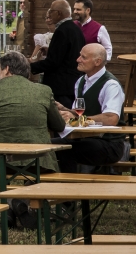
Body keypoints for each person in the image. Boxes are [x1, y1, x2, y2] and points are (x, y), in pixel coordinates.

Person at [0, 51, 65, 181]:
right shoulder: (44, 91)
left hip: (1, 162)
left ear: (7, 69)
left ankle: (9, 194)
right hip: (41, 162)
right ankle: (26, 193)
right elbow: (59, 126)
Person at [54, 44, 127, 173]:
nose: (78, 59)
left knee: (64, 150)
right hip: (86, 139)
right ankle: (44, 179)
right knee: (47, 144)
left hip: (109, 144)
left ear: (97, 62)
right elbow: (79, 114)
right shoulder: (81, 81)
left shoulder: (111, 85)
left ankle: (67, 183)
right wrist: (64, 109)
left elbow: (111, 118)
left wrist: (78, 120)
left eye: (83, 57)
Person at [30, 0, 85, 107]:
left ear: (59, 13)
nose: (49, 14)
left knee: (61, 115)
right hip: (72, 84)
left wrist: (29, 67)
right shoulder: (75, 29)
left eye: (51, 11)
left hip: (60, 87)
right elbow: (68, 53)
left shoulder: (62, 30)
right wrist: (50, 50)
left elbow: (53, 62)